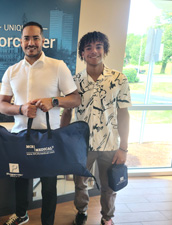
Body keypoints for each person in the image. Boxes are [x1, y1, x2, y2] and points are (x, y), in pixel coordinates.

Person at [0, 21, 81, 225]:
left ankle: (47, 222)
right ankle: (21, 214)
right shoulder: (11, 71)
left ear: (43, 41)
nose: (31, 42)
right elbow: (2, 105)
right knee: (20, 180)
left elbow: (75, 99)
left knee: (49, 186)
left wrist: (52, 101)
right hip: (20, 136)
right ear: (20, 42)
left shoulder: (58, 66)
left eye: (36, 38)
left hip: (48, 137)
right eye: (27, 38)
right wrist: (20, 109)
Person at [60, 31, 132, 225]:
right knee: (79, 183)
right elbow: (66, 113)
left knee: (110, 185)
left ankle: (107, 218)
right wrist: (62, 141)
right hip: (81, 145)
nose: (94, 51)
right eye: (88, 48)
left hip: (109, 144)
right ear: (82, 53)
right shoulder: (73, 82)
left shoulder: (119, 79)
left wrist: (123, 147)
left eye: (98, 47)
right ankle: (81, 211)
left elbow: (124, 114)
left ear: (105, 50)